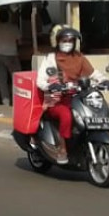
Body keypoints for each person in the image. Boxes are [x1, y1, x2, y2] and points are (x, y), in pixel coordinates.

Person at [36, 26, 95, 162]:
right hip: (56, 100)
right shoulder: (51, 59)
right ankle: (62, 148)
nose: (67, 43)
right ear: (58, 41)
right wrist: (51, 85)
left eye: (70, 40)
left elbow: (92, 73)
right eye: (64, 40)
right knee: (66, 115)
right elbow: (40, 80)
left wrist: (104, 80)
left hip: (77, 98)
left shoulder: (79, 58)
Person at [0, 13, 21, 106]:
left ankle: (5, 101)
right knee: (16, 79)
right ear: (8, 18)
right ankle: (17, 100)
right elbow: (20, 41)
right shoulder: (14, 28)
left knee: (2, 80)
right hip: (12, 55)